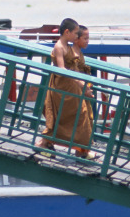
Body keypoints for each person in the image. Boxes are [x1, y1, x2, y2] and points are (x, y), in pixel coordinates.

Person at [36, 17, 94, 157]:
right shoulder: (59, 47)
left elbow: (73, 66)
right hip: (61, 88)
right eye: (75, 33)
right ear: (67, 32)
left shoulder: (68, 47)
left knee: (80, 116)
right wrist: (80, 83)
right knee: (63, 116)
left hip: (70, 87)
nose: (76, 36)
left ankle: (81, 150)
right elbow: (62, 68)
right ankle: (43, 143)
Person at [70, 24, 94, 121]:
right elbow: (74, 74)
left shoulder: (79, 53)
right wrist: (85, 88)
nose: (87, 41)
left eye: (88, 38)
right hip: (77, 89)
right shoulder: (74, 54)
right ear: (76, 39)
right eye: (85, 38)